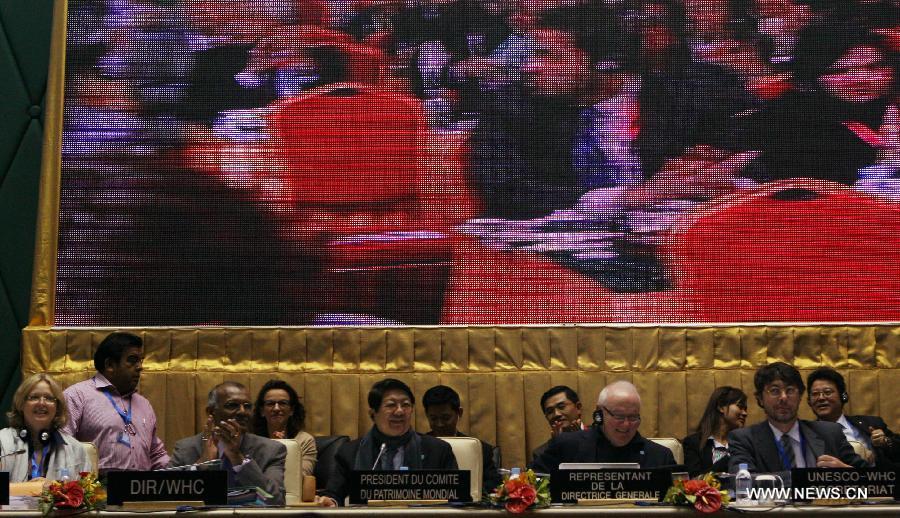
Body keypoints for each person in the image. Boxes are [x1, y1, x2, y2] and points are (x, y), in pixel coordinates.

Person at [318, 379, 458, 506]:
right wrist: (329, 501)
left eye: (406, 405)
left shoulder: (438, 450)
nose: (399, 411)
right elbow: (334, 494)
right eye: (391, 405)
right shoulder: (349, 452)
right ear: (373, 414)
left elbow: (458, 497)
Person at [728, 362, 867, 475]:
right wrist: (810, 479)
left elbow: (873, 478)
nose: (783, 397)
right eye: (775, 391)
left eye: (790, 390)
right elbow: (743, 483)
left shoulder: (830, 433)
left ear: (800, 396)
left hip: (825, 509)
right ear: (760, 399)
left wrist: (847, 474)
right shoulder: (744, 439)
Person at [62, 332, 169, 472]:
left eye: (140, 360)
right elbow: (62, 448)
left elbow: (156, 455)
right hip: (98, 490)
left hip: (141, 489)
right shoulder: (77, 396)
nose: (140, 367)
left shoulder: (144, 404)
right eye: (132, 360)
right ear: (110, 365)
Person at [170, 382, 286, 504]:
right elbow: (162, 495)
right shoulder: (185, 448)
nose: (242, 412)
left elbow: (276, 500)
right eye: (232, 405)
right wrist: (202, 465)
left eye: (247, 406)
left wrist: (238, 459)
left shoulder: (271, 450)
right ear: (211, 412)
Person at [530, 381, 676, 472]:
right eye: (618, 416)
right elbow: (531, 487)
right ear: (599, 413)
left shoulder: (661, 456)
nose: (626, 425)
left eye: (633, 417)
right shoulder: (565, 446)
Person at [0, 374, 92, 482]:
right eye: (34, 397)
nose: (42, 403)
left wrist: (55, 492)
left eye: (49, 398)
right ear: (21, 404)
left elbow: (86, 494)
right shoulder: (2, 442)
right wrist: (26, 489)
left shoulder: (76, 449)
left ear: (57, 407)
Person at [806, 367, 899, 468]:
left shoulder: (871, 424)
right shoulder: (806, 434)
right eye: (815, 394)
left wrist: (886, 442)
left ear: (843, 396)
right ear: (809, 402)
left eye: (827, 392)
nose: (821, 398)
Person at [422, 385, 502, 493]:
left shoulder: (481, 450)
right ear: (427, 415)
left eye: (446, 418)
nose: (439, 424)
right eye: (433, 418)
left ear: (459, 413)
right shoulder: (417, 446)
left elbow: (494, 485)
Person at [251, 379, 317, 477]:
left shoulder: (305, 441)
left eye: (283, 403)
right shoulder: (250, 439)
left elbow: (300, 477)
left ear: (291, 410)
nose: (276, 408)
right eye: (270, 404)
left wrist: (285, 449)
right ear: (262, 411)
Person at [682, 386, 748, 476]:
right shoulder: (694, 443)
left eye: (745, 409)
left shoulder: (745, 443)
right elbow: (694, 480)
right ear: (721, 407)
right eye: (740, 407)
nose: (745, 413)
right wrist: (729, 456)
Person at [531, 385, 586, 461]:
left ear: (578, 407)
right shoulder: (541, 453)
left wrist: (583, 442)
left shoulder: (600, 438)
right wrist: (557, 447)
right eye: (550, 411)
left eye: (561, 407)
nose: (556, 414)